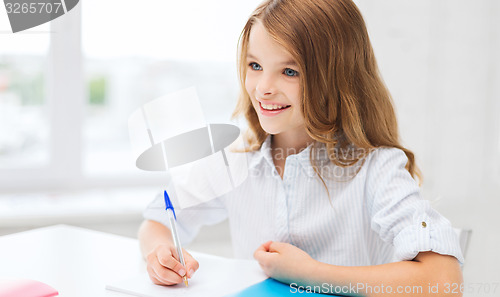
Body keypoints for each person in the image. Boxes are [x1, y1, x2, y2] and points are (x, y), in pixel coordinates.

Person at [138, 0, 464, 295]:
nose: (263, 88)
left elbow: (444, 280)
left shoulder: (376, 168)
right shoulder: (234, 158)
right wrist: (160, 252)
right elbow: (159, 218)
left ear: (337, 77)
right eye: (255, 66)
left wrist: (310, 273)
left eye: (289, 71)